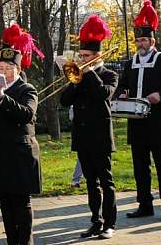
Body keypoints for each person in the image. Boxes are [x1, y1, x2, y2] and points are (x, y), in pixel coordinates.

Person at [0, 36, 42, 245]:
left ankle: (25, 242)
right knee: (5, 202)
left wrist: (3, 97)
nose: (3, 71)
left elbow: (26, 114)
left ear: (17, 68)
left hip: (18, 156)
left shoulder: (27, 89)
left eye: (7, 67)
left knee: (20, 203)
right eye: (0, 67)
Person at [60, 14, 119, 239]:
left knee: (106, 181)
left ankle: (110, 224)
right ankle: (96, 221)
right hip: (82, 136)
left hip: (101, 136)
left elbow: (103, 94)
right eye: (80, 55)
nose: (82, 59)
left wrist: (89, 72)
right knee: (91, 183)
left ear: (96, 56)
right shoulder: (79, 76)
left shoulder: (109, 74)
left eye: (86, 56)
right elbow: (64, 101)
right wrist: (75, 80)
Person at [116, 0, 161, 220]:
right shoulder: (130, 62)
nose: (140, 43)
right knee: (140, 168)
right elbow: (122, 84)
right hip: (136, 122)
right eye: (138, 40)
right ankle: (145, 205)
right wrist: (122, 93)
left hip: (157, 122)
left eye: (144, 39)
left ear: (152, 40)